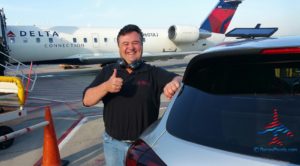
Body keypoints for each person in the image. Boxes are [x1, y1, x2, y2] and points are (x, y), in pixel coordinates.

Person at [82, 24, 182, 166]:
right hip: (113, 145)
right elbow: (87, 100)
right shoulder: (108, 71)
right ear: (119, 48)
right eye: (125, 44)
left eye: (135, 43)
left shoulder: (152, 72)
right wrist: (106, 86)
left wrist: (173, 83)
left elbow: (178, 78)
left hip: (143, 147)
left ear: (141, 45)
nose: (131, 47)